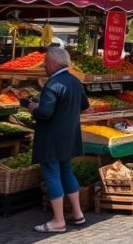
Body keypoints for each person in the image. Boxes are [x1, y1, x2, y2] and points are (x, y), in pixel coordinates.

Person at [28, 46, 89, 234]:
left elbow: (45, 113)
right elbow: (84, 105)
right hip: (69, 136)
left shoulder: (53, 84)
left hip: (51, 138)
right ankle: (78, 214)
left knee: (52, 175)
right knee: (66, 172)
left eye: (46, 62)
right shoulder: (74, 81)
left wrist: (32, 107)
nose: (44, 66)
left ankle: (58, 221)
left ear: (53, 63)